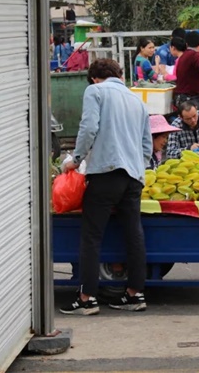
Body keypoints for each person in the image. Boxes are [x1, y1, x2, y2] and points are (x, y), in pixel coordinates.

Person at [60, 58, 151, 315]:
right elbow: (146, 145)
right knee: (134, 232)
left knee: (91, 235)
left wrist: (75, 160)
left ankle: (87, 298)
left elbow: (89, 128)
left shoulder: (95, 91)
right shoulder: (138, 101)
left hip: (106, 173)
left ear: (95, 78)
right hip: (133, 177)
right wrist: (137, 167)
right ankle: (135, 294)